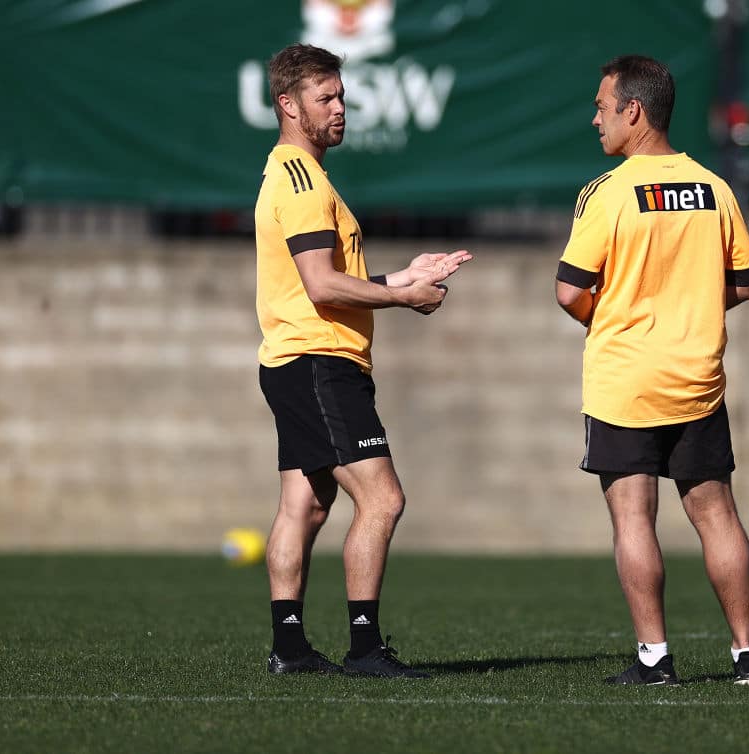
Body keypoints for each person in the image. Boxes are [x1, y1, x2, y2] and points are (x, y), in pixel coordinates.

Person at [255, 43, 471, 677]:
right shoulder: (300, 180)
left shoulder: (303, 176)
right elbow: (322, 289)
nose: (340, 108)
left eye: (342, 95)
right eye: (325, 98)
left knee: (307, 502)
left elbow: (324, 278)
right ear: (288, 105)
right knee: (383, 499)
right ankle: (365, 648)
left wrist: (401, 274)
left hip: (300, 358)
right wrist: (403, 296)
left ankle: (290, 648)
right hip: (318, 360)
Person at [554, 55, 749, 686]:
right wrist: (691, 310)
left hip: (625, 380)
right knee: (717, 514)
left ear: (633, 111)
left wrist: (616, 313)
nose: (594, 118)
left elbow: (570, 293)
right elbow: (745, 284)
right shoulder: (714, 187)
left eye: (602, 106)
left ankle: (656, 658)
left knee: (632, 517)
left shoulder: (607, 192)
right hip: (697, 378)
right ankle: (747, 654)